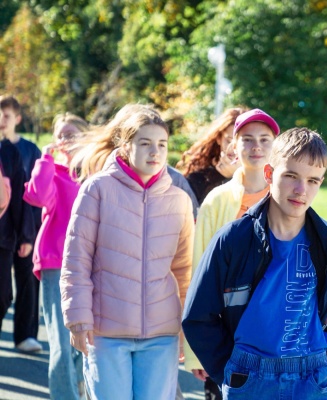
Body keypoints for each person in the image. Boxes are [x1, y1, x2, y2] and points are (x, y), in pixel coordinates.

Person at [182, 127, 327, 399]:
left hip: (310, 379)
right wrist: (228, 372)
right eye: (291, 176)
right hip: (247, 376)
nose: (301, 190)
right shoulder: (233, 239)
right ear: (269, 173)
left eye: (313, 180)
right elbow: (198, 315)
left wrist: (320, 367)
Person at [60, 104, 194, 400]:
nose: (155, 152)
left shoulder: (180, 200)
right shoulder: (97, 190)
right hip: (105, 333)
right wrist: (78, 319)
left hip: (162, 334)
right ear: (124, 146)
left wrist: (187, 327)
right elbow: (77, 261)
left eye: (162, 144)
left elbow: (185, 270)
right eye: (145, 143)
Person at [182, 108, 279, 399]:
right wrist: (196, 350)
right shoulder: (217, 200)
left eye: (264, 139)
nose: (256, 146)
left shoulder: (286, 198)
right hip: (225, 334)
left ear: (275, 146)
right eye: (247, 139)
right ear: (234, 146)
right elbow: (200, 274)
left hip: (273, 332)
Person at [23, 113, 88, 399]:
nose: (64, 139)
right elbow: (37, 196)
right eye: (60, 135)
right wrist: (45, 160)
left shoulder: (97, 175)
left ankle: (79, 387)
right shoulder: (52, 172)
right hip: (54, 263)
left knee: (86, 340)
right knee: (61, 343)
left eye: (71, 133)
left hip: (89, 266)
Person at [0, 96, 37, 352]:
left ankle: (25, 336)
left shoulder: (26, 150)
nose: (2, 121)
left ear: (17, 119)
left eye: (6, 116)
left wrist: (28, 234)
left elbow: (29, 194)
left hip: (22, 226)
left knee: (24, 282)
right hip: (5, 230)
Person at [178, 107, 247, 206]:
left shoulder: (262, 178)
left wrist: (237, 176)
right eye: (229, 141)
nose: (233, 148)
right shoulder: (198, 178)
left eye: (242, 141)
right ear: (219, 138)